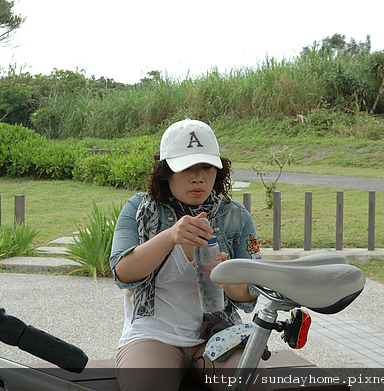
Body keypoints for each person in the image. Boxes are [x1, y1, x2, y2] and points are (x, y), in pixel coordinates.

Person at [110, 118, 271, 391]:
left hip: (219, 335)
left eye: (206, 167)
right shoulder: (138, 207)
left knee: (253, 387)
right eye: (186, 167)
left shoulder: (237, 216)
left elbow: (251, 292)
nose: (198, 177)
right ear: (166, 171)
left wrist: (226, 275)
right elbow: (122, 272)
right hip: (153, 335)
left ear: (218, 170)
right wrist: (170, 235)